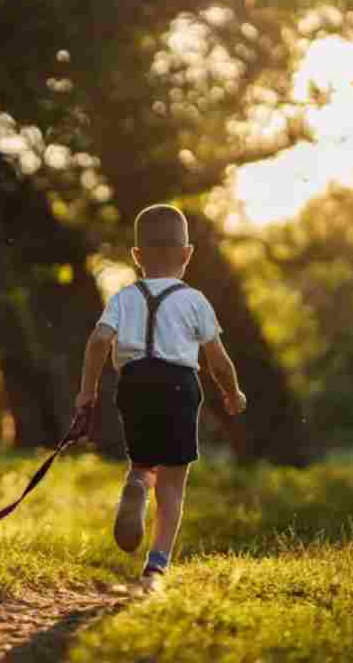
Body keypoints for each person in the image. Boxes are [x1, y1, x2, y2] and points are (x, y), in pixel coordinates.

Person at [75, 204, 247, 591]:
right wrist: (232, 393)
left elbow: (99, 341)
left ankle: (136, 484)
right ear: (186, 254)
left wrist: (88, 391)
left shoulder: (124, 297)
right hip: (179, 386)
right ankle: (156, 567)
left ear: (136, 256)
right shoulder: (195, 300)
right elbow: (218, 360)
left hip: (133, 384)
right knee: (173, 484)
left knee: (143, 464)